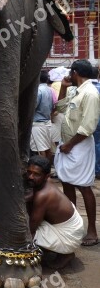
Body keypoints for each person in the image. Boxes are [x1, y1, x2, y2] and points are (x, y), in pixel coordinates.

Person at [54, 59, 100, 246]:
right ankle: (72, 225)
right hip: (69, 144)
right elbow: (59, 107)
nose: (68, 77)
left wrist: (70, 145)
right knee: (67, 184)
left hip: (78, 144)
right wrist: (64, 87)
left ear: (75, 73)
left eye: (70, 74)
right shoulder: (75, 91)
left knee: (84, 186)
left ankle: (92, 231)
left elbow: (88, 126)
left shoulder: (90, 94)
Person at [27, 155, 84, 269]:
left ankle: (65, 253)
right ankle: (54, 247)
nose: (31, 177)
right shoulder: (45, 182)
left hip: (69, 236)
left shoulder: (43, 195)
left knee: (23, 232)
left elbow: (31, 228)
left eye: (36, 174)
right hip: (70, 225)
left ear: (46, 176)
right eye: (29, 172)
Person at [30, 70, 55, 159]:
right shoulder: (50, 90)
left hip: (38, 124)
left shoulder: (38, 90)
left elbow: (33, 107)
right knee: (47, 148)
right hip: (47, 122)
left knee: (40, 150)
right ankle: (47, 169)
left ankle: (42, 170)